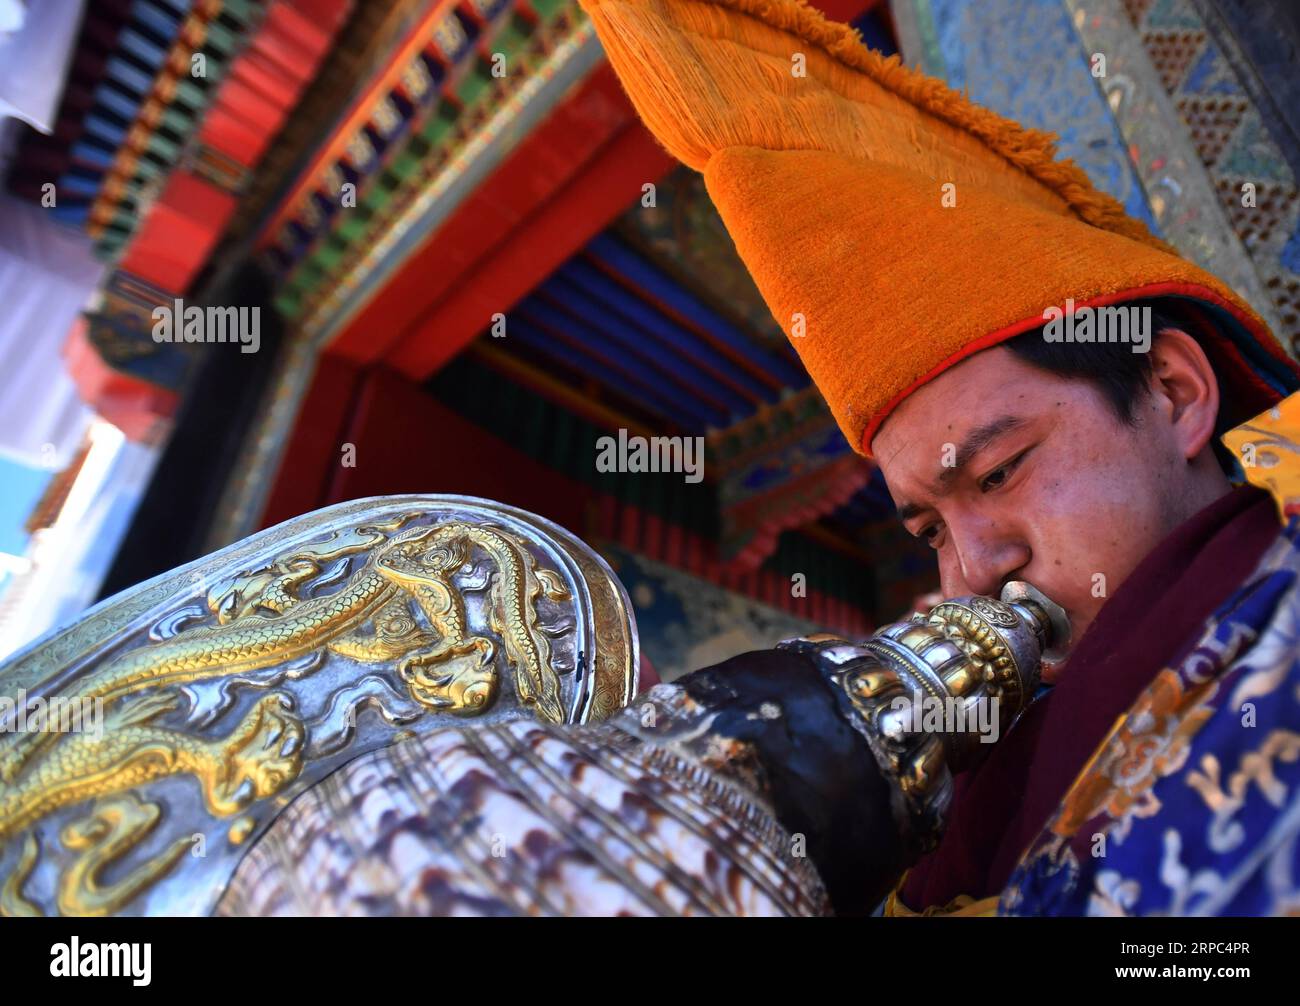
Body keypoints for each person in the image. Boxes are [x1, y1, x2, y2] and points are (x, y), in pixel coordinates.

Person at [573, 0, 1300, 915]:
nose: (973, 574)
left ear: (1173, 390)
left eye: (998, 474)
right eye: (929, 529)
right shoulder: (945, 831)